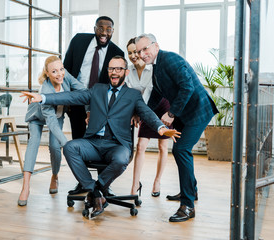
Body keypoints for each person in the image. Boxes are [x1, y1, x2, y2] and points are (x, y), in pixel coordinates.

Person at [21, 56, 181, 218]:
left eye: (118, 69)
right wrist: (44, 98)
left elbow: (146, 113)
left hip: (117, 145)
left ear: (125, 72)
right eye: (111, 69)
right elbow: (72, 97)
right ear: (108, 72)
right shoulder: (97, 89)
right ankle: (97, 192)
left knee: (120, 159)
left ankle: (94, 190)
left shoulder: (133, 95)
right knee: (70, 147)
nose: (114, 72)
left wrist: (161, 128)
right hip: (93, 143)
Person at [135, 33, 219, 222]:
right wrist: (143, 113)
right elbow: (157, 94)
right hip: (184, 112)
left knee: (181, 150)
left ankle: (188, 206)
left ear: (156, 46)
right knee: (180, 150)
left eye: (145, 49)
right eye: (139, 51)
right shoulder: (156, 67)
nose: (142, 54)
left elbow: (187, 87)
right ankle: (191, 191)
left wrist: (171, 113)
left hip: (197, 111)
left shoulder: (170, 59)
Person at [63, 16, 124, 195]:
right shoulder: (79, 40)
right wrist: (66, 98)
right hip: (77, 98)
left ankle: (103, 184)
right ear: (95, 28)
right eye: (101, 28)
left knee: (100, 141)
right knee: (78, 139)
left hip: (101, 103)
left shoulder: (116, 51)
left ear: (113, 30)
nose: (104, 32)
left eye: (109, 29)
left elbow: (117, 81)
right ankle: (83, 182)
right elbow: (66, 69)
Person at [17, 56, 85, 206]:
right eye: (54, 71)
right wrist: (68, 144)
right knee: (33, 143)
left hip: (58, 115)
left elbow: (82, 89)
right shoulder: (45, 89)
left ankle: (55, 176)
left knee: (55, 147)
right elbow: (52, 124)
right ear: (47, 73)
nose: (59, 73)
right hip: (37, 116)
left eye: (61, 69)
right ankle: (26, 187)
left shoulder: (65, 76)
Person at [125, 37, 172, 197]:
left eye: (136, 51)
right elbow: (129, 94)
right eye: (130, 52)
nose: (134, 55)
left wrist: (139, 113)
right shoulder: (128, 71)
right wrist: (134, 112)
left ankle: (157, 181)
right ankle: (134, 186)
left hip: (160, 105)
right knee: (140, 146)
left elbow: (151, 93)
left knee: (162, 146)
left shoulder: (152, 68)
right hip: (144, 107)